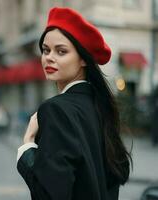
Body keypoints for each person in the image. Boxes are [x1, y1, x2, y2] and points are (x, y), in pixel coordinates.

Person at [16, 7, 132, 200]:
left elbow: (50, 194)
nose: (49, 57)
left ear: (83, 60)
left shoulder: (56, 109)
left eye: (61, 51)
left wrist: (27, 147)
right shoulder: (99, 105)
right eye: (46, 50)